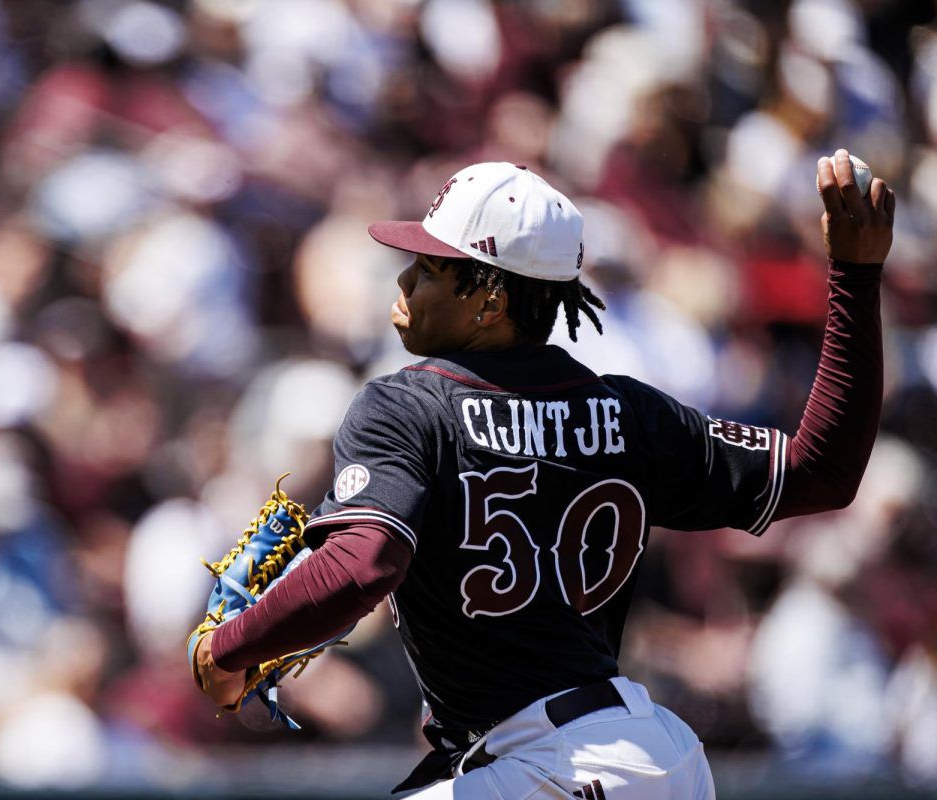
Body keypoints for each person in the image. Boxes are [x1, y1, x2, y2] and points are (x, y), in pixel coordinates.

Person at [192, 154, 893, 798]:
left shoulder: (408, 405)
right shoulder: (630, 412)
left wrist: (228, 649)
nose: (404, 279)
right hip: (653, 758)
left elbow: (363, 564)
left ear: (491, 299)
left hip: (556, 766)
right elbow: (821, 474)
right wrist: (855, 280)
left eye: (433, 268)